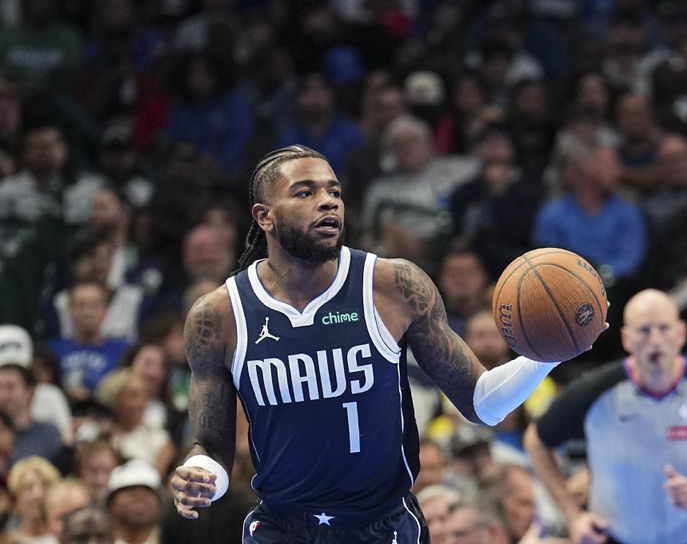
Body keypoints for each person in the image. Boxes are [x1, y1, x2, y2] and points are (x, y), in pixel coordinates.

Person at [169, 145, 600, 543]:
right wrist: (199, 474)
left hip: (381, 526)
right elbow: (212, 446)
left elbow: (481, 402)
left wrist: (548, 354)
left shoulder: (393, 285)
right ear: (264, 216)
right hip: (281, 527)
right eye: (304, 192)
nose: (328, 201)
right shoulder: (218, 316)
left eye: (333, 191)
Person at [525, 289, 687, 544]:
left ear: (681, 334)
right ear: (626, 338)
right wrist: (573, 516)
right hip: (615, 536)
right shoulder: (596, 392)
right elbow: (536, 440)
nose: (655, 340)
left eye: (664, 329)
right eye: (644, 331)